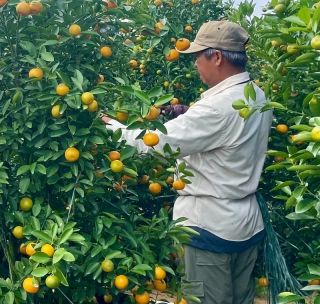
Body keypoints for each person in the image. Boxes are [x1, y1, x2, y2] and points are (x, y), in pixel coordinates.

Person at [102, 21, 271, 304]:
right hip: (245, 224)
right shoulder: (255, 95)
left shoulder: (216, 108)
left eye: (197, 57)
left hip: (210, 228)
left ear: (216, 57)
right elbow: (222, 132)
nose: (195, 65)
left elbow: (153, 145)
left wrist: (109, 127)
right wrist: (184, 113)